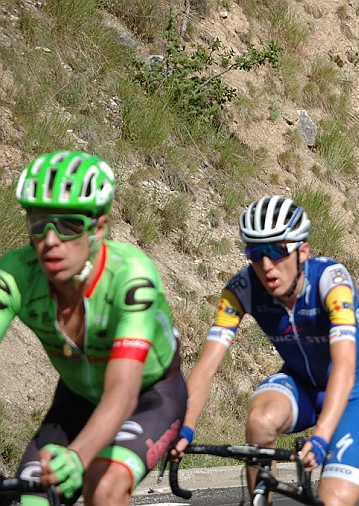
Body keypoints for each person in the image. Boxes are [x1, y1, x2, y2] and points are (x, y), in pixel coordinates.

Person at [0, 151, 187, 506]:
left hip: (148, 397)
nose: (51, 239)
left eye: (68, 224)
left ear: (98, 227)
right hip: (78, 398)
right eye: (39, 222)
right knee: (30, 499)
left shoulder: (131, 277)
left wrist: (78, 457)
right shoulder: (15, 274)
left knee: (102, 486)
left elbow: (122, 391)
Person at [173, 195, 359, 506]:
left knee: (334, 502)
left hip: (353, 391)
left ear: (303, 252)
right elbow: (205, 367)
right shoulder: (240, 290)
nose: (267, 265)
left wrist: (322, 436)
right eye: (256, 253)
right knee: (260, 420)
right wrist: (183, 427)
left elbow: (345, 366)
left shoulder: (331, 282)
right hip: (301, 385)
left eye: (277, 251)